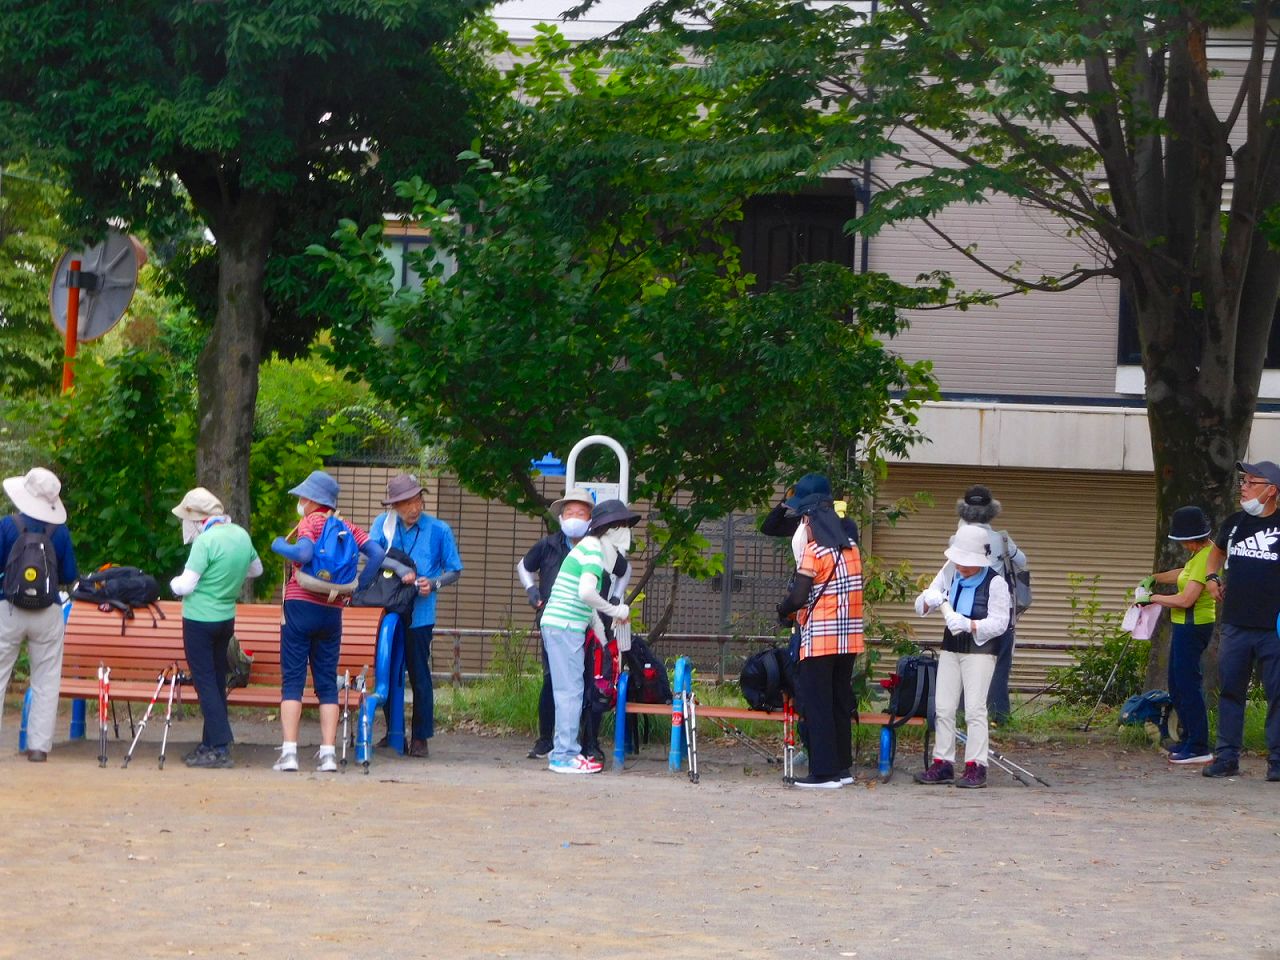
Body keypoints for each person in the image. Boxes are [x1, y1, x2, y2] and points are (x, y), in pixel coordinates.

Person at [270, 470, 384, 773]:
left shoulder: (311, 521)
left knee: (293, 681)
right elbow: (377, 553)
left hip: (300, 607)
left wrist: (279, 545)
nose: (300, 502)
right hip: (332, 609)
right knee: (327, 684)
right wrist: (360, 584)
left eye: (301, 498)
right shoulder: (347, 526)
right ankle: (329, 754)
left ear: (310, 500)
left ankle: (290, 754)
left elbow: (303, 552)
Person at [538, 498, 639, 775]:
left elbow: (586, 606)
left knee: (569, 691)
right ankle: (564, 756)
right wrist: (617, 609)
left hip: (565, 625)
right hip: (565, 627)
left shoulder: (589, 548)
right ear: (610, 529)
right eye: (623, 526)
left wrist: (605, 641)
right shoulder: (594, 551)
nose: (627, 532)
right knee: (569, 693)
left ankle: (566, 752)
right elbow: (586, 594)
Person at [368, 474, 463, 758]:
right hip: (387, 611)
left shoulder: (439, 529)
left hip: (421, 613)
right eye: (408, 502)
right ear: (395, 505)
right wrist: (398, 569)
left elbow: (454, 569)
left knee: (419, 673)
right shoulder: (382, 525)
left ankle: (421, 736)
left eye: (418, 499)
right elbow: (371, 554)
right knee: (387, 670)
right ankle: (393, 730)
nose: (415, 507)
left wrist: (433, 583)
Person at [168, 487, 263, 769]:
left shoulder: (205, 541)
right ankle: (209, 743)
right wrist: (228, 577)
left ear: (197, 518)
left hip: (199, 620)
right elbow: (256, 570)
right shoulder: (240, 534)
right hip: (226, 619)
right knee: (217, 680)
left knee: (205, 682)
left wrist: (172, 584)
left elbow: (185, 584)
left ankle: (220, 746)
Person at [913, 523, 1012, 789]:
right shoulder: (949, 572)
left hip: (980, 652)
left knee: (974, 710)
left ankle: (976, 766)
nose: (961, 567)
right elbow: (921, 605)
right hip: (951, 648)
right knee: (943, 708)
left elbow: (1001, 623)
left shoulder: (996, 583)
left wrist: (970, 625)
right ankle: (942, 762)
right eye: (958, 561)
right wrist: (930, 599)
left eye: (967, 562)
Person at [776, 489, 864, 789]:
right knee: (839, 700)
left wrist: (783, 609)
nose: (805, 526)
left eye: (806, 521)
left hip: (820, 640)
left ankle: (823, 774)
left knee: (816, 703)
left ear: (814, 521)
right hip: (849, 640)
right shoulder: (852, 549)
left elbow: (799, 596)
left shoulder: (815, 551)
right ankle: (842, 768)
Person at [1202, 460, 1280, 781]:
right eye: (1242, 482)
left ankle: (1277, 761)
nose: (1243, 488)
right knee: (1231, 691)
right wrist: (1210, 576)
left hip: (1273, 629)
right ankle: (1226, 757)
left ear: (1271, 490)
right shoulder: (1234, 524)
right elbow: (1217, 553)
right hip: (1235, 624)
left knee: (1278, 694)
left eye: (1250, 483)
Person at [0, 468, 78, 762]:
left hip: (7, 608)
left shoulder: (7, 525)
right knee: (45, 679)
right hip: (47, 612)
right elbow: (69, 574)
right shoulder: (60, 532)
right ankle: (38, 748)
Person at [517, 487, 596, 760]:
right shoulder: (548, 545)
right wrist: (531, 592)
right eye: (570, 512)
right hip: (554, 620)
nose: (575, 517)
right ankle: (547, 739)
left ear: (590, 518)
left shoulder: (593, 547)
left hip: (587, 620)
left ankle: (585, 742)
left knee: (586, 681)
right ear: (561, 517)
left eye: (581, 513)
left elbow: (622, 569)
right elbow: (523, 566)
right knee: (553, 680)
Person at [1142, 505, 1216, 765]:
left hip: (1194, 625)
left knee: (1187, 685)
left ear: (1190, 538)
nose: (1182, 544)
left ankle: (1198, 745)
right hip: (1184, 625)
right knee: (1176, 683)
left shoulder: (1207, 556)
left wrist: (1152, 598)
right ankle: (1187, 739)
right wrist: (1154, 577)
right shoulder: (1199, 556)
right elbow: (1183, 575)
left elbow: (1187, 599)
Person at [954, 484, 1026, 725]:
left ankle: (965, 715)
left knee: (965, 661)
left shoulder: (956, 539)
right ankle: (998, 716)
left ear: (963, 510)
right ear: (991, 510)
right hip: (999, 609)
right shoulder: (1002, 539)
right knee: (999, 662)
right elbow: (1022, 561)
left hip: (967, 610)